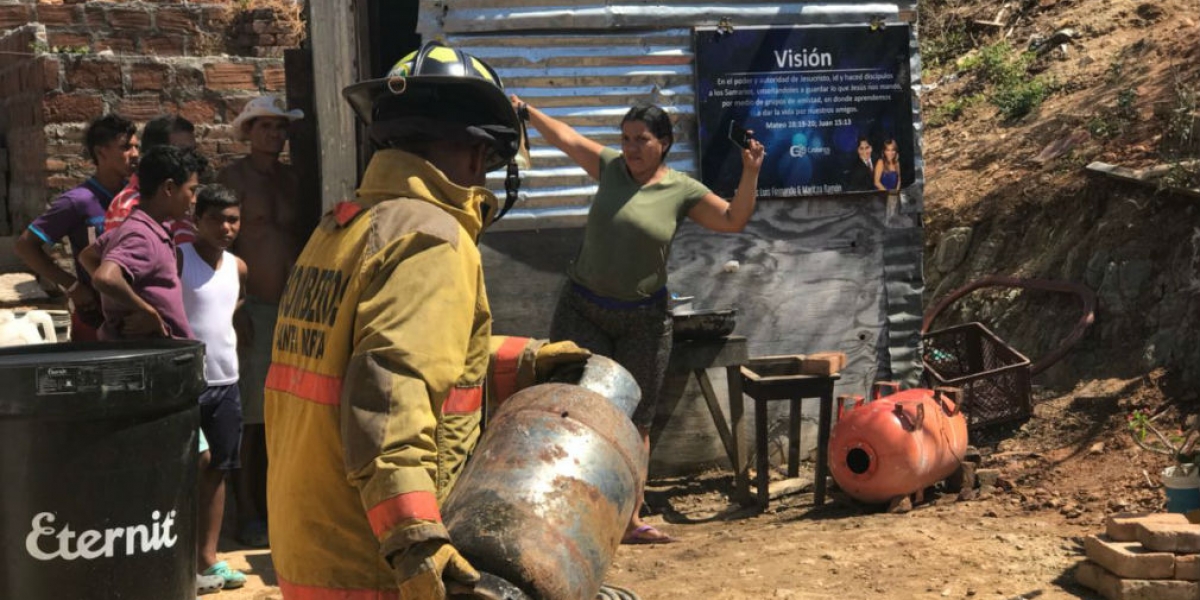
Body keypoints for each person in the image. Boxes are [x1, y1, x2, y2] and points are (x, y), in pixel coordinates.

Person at [264, 41, 586, 600]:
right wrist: (416, 541)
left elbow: (388, 352)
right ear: (480, 155)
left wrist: (521, 361)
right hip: (377, 567)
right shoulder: (431, 238)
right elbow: (390, 393)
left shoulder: (344, 229)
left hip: (310, 548)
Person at [513, 96, 765, 544]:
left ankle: (629, 520)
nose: (630, 148)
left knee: (638, 420)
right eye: (626, 138)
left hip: (643, 319)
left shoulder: (681, 190)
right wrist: (528, 112)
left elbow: (733, 219)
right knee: (569, 408)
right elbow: (567, 138)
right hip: (583, 308)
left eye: (641, 140)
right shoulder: (609, 167)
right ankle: (560, 512)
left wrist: (750, 171)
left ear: (663, 144)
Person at [217, 95, 305, 548]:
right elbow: (216, 244)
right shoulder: (232, 178)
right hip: (252, 310)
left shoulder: (293, 180)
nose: (275, 134)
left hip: (292, 311)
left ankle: (276, 505)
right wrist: (233, 307)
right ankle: (247, 513)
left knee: (284, 414)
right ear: (248, 132)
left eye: (280, 127)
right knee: (251, 416)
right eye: (265, 126)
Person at [179, 184, 249, 592]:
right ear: (196, 220)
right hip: (188, 385)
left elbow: (230, 310)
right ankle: (175, 554)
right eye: (216, 219)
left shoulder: (238, 267)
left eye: (233, 219)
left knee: (219, 468)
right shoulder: (178, 259)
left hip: (227, 381)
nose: (226, 227)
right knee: (191, 466)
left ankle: (208, 558)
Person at [14, 114, 139, 341]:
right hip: (96, 318)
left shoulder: (136, 198)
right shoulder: (78, 201)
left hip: (136, 318)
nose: (135, 154)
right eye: (126, 147)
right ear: (101, 152)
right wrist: (73, 287)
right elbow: (26, 246)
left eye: (136, 147)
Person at [82, 145, 205, 341]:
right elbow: (105, 278)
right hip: (152, 358)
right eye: (191, 190)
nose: (193, 199)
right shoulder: (141, 235)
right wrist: (147, 311)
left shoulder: (144, 226)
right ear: (169, 188)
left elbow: (88, 256)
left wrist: (120, 304)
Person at [105, 114, 199, 243]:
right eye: (183, 151)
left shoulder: (176, 198)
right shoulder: (130, 209)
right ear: (158, 154)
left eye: (193, 151)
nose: (192, 159)